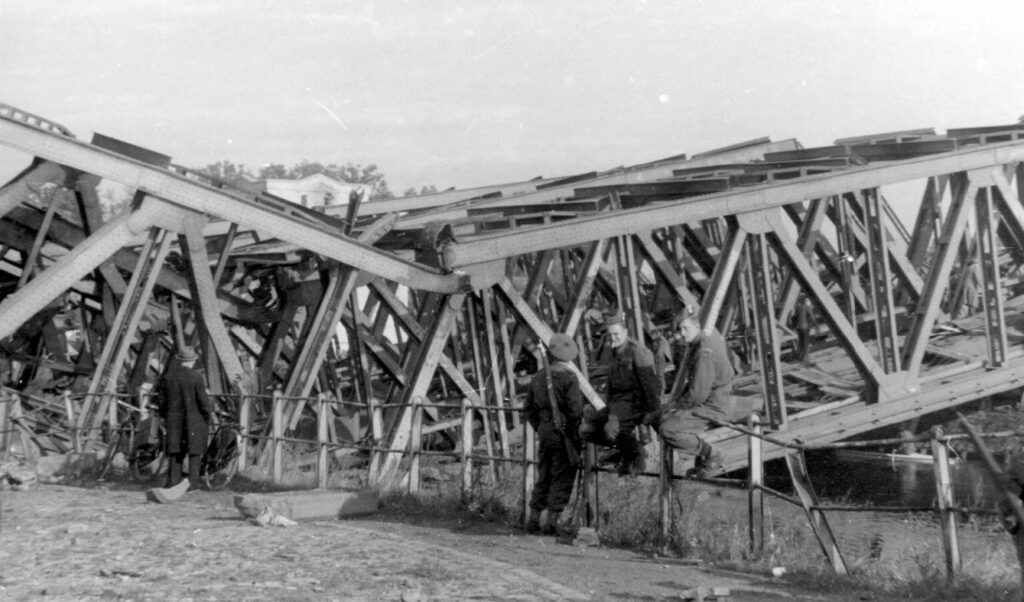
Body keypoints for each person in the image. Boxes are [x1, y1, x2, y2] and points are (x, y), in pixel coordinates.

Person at [648, 312, 735, 478]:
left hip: (713, 405)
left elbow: (697, 395)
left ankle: (713, 454)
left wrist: (675, 408)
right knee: (656, 417)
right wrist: (672, 405)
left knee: (668, 429)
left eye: (685, 329)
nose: (682, 334)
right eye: (680, 330)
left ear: (697, 326)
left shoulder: (704, 351)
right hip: (711, 399)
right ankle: (700, 455)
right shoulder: (702, 341)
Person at [581, 312, 661, 477]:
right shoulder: (615, 352)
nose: (613, 338)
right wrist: (608, 408)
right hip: (617, 405)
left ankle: (636, 453)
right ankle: (628, 451)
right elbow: (611, 384)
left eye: (616, 334)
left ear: (626, 332)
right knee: (586, 429)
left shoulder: (638, 351)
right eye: (610, 335)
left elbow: (651, 385)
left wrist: (652, 412)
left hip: (635, 404)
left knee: (611, 430)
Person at [523, 334, 585, 535]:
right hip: (564, 432)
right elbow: (575, 411)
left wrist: (542, 426)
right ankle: (551, 522)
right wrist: (573, 434)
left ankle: (533, 519)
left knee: (544, 474)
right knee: (562, 475)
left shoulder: (538, 377)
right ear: (568, 357)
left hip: (545, 431)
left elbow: (528, 410)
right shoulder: (569, 378)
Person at [158, 347, 212, 490]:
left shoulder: (168, 377)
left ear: (179, 360)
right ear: (193, 360)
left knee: (175, 452)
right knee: (194, 453)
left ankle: (172, 483)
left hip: (174, 421)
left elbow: (162, 403)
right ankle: (192, 485)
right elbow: (203, 402)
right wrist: (208, 414)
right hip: (194, 421)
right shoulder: (196, 377)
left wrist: (165, 416)